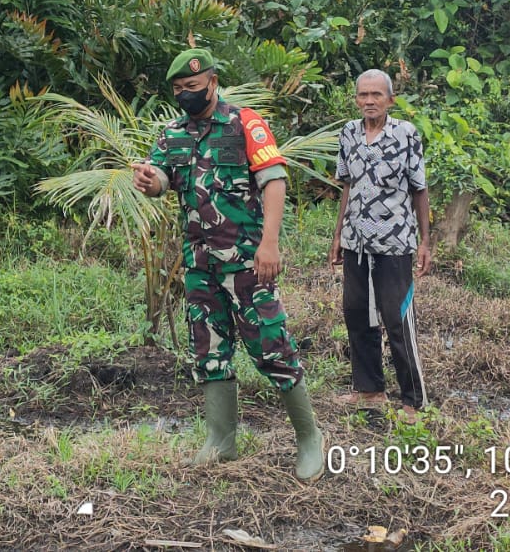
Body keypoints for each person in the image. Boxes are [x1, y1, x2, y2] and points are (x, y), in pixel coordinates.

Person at [131, 48, 325, 482]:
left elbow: (273, 180)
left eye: (193, 88)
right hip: (199, 264)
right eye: (179, 90)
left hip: (246, 261)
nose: (186, 95)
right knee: (210, 349)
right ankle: (221, 440)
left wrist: (269, 244)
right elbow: (162, 178)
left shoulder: (245, 123)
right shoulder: (172, 133)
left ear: (213, 83)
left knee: (270, 345)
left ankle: (309, 438)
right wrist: (150, 181)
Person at [329, 69, 433, 424]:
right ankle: (370, 391)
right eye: (363, 95)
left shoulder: (405, 134)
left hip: (395, 241)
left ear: (390, 99)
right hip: (356, 241)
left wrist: (425, 241)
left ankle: (413, 400)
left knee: (397, 318)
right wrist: (338, 235)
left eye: (376, 95)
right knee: (357, 314)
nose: (369, 101)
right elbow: (347, 185)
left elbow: (419, 188)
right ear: (356, 99)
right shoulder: (348, 134)